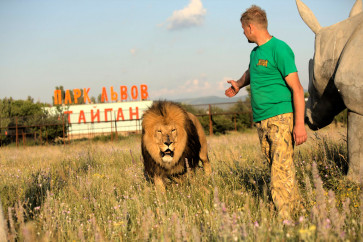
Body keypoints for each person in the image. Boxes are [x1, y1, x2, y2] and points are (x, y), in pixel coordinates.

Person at [225, 5, 307, 220]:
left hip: (281, 118)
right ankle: (298, 213)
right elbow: (252, 71)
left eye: (243, 29)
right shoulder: (256, 53)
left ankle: (286, 220)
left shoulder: (279, 49)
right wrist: (238, 84)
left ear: (250, 27)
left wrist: (299, 125)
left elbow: (297, 89)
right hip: (262, 121)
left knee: (280, 172)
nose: (243, 32)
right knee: (279, 169)